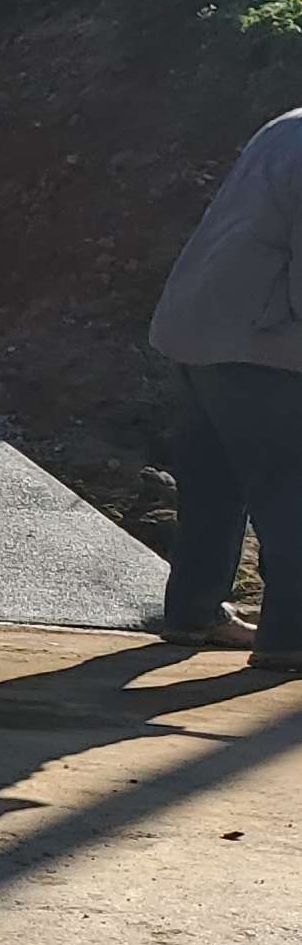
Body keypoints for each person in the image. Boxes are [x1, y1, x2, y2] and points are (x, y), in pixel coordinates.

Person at [150, 108, 302, 673]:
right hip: (258, 344)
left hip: (196, 326)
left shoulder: (288, 124)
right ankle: (290, 635)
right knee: (289, 486)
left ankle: (193, 611)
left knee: (214, 482)